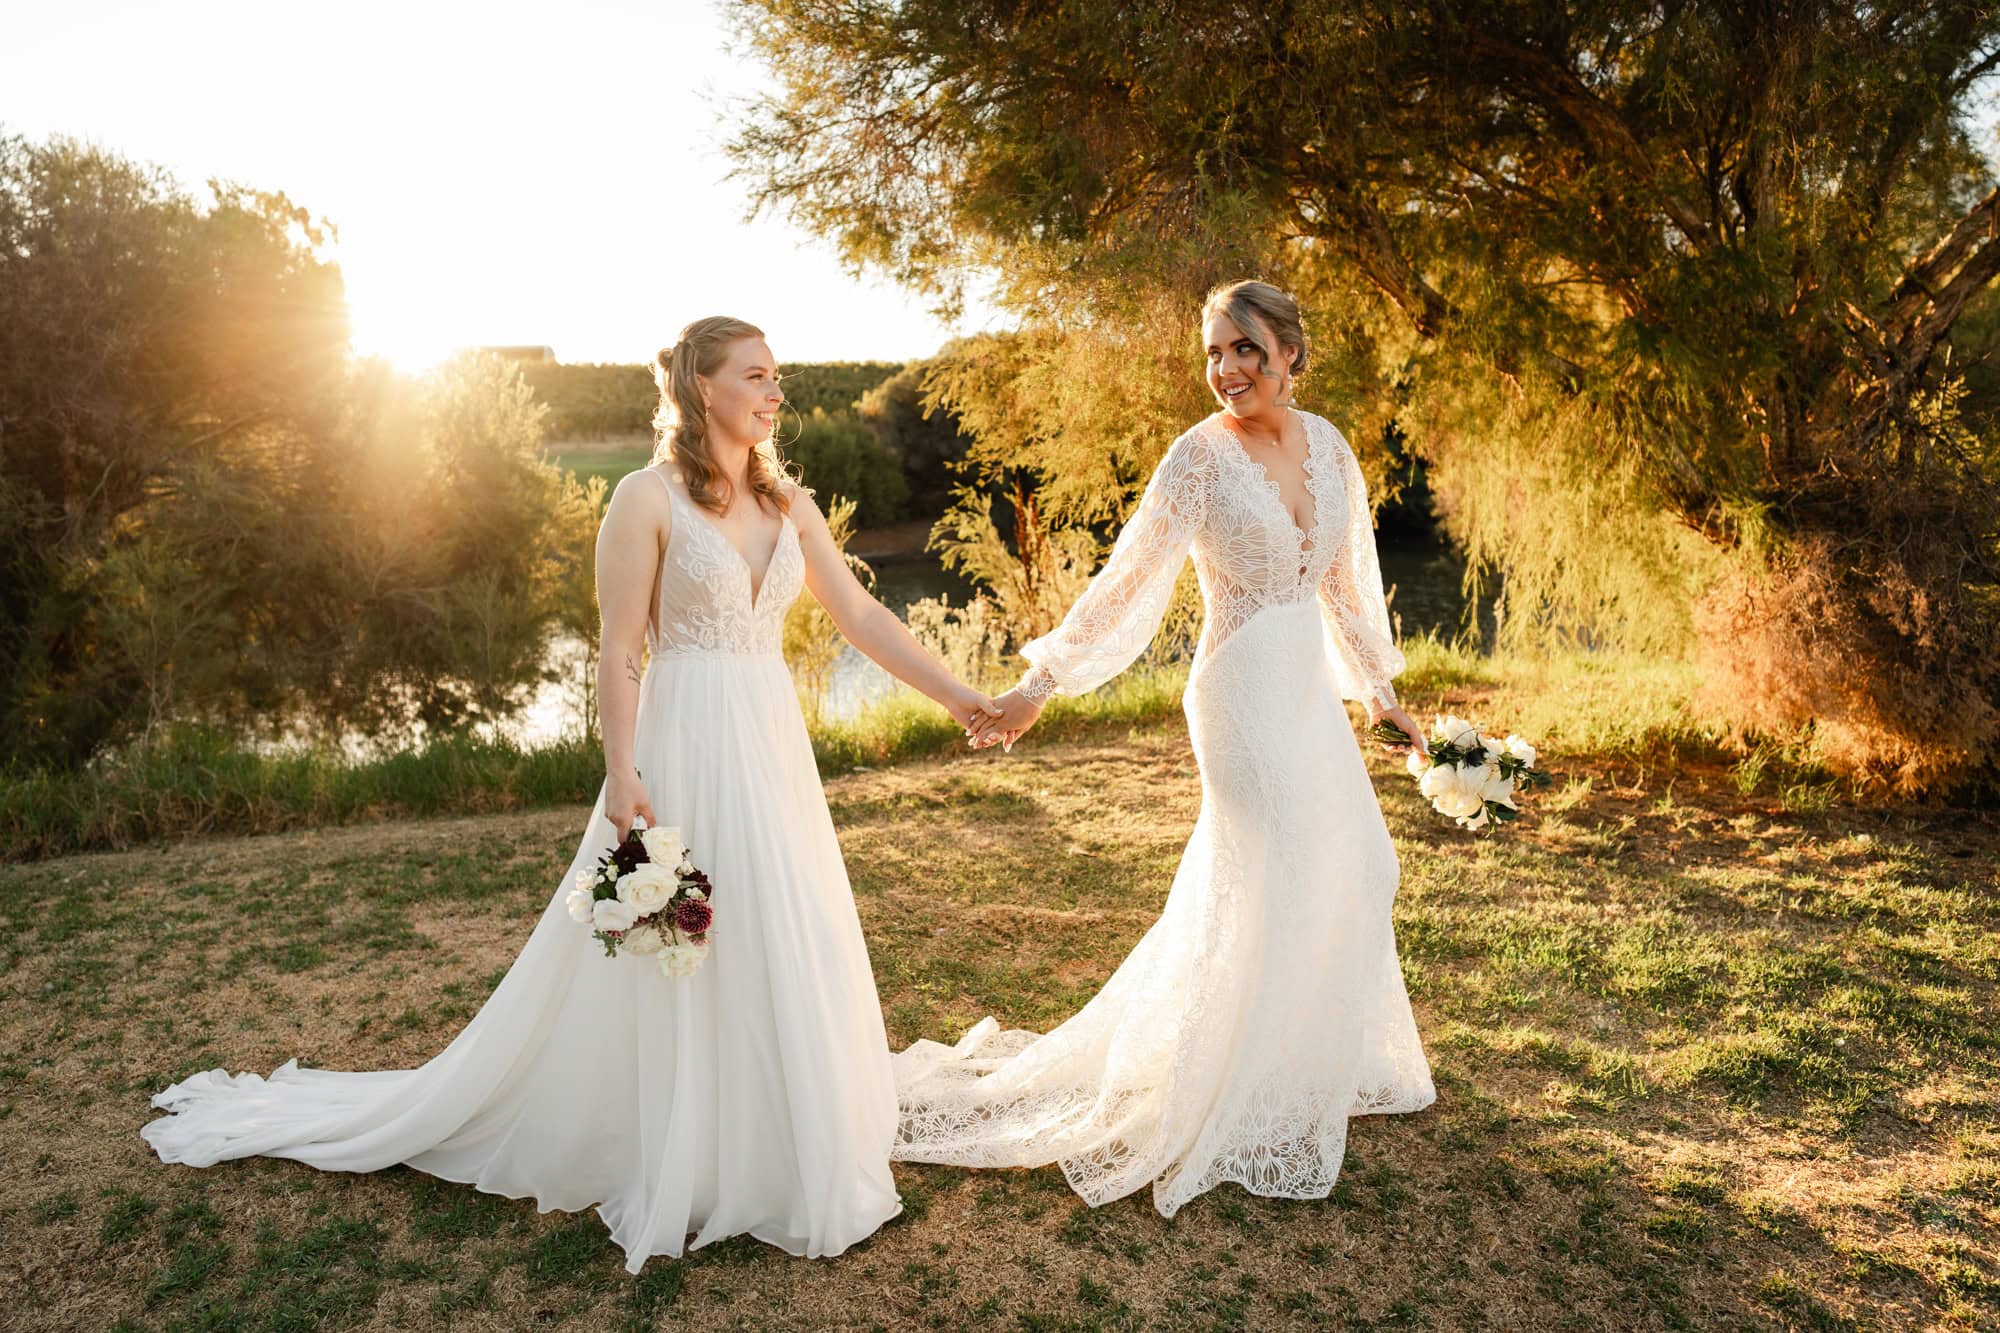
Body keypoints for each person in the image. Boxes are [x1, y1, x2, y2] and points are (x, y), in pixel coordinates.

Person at [142, 316, 1003, 1271]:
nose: (775, 394)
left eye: (778, 378)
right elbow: (620, 648)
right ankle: (682, 1139)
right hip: (681, 745)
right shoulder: (645, 498)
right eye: (756, 376)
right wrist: (622, 767)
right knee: (676, 947)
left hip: (771, 749)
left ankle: (778, 1131)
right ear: (703, 386)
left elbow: (862, 613)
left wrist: (964, 697)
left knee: (780, 923)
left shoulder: (787, 499)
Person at [892, 281, 1437, 1218]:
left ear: (1292, 352)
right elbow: (1124, 582)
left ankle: (1291, 1061)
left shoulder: (1333, 447)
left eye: (1244, 348)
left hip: (1306, 690)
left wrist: (1382, 693)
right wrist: (1036, 686)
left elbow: (1346, 584)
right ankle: (1231, 1084)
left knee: (1357, 863)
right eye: (1214, 351)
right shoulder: (1196, 459)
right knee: (1279, 865)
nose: (1226, 368)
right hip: (1237, 696)